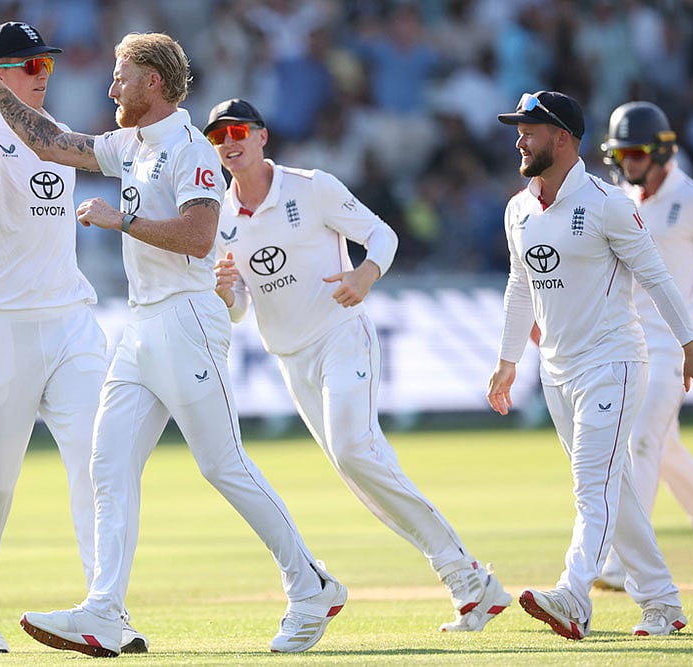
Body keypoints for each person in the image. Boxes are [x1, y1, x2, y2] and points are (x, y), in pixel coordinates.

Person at [0, 26, 347, 657]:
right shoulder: (128, 144)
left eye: (121, 76)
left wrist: (122, 220)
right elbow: (53, 142)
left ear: (153, 84)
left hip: (189, 317)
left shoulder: (191, 148)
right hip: (142, 324)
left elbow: (199, 237)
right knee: (105, 466)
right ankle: (104, 612)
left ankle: (311, 584)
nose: (110, 86)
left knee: (223, 465)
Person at [205, 98, 512, 633]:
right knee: (358, 472)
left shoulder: (312, 186)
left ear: (261, 135)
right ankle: (470, 583)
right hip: (290, 359)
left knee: (356, 450)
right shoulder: (222, 217)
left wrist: (365, 275)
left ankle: (465, 576)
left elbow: (383, 235)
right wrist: (227, 294)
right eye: (216, 137)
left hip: (342, 337)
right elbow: (239, 313)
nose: (227, 143)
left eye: (235, 131)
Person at [0, 21, 147, 655]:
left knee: (98, 464)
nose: (41, 76)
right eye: (28, 66)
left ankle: (104, 608)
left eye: (46, 67)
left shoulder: (52, 135)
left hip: (70, 321)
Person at [488, 90, 693, 639]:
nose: (519, 138)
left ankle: (573, 594)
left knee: (593, 486)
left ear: (562, 138)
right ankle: (663, 601)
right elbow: (521, 286)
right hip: (557, 369)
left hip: (614, 362)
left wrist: (692, 347)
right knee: (617, 489)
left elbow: (657, 276)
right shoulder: (519, 208)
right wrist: (507, 360)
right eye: (518, 129)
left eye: (530, 129)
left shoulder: (608, 204)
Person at [594, 101, 693, 591]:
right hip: (626, 341)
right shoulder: (620, 200)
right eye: (623, 152)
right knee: (665, 451)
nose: (631, 161)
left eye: (639, 151)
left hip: (673, 347)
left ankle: (624, 562)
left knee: (640, 440)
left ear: (662, 150)